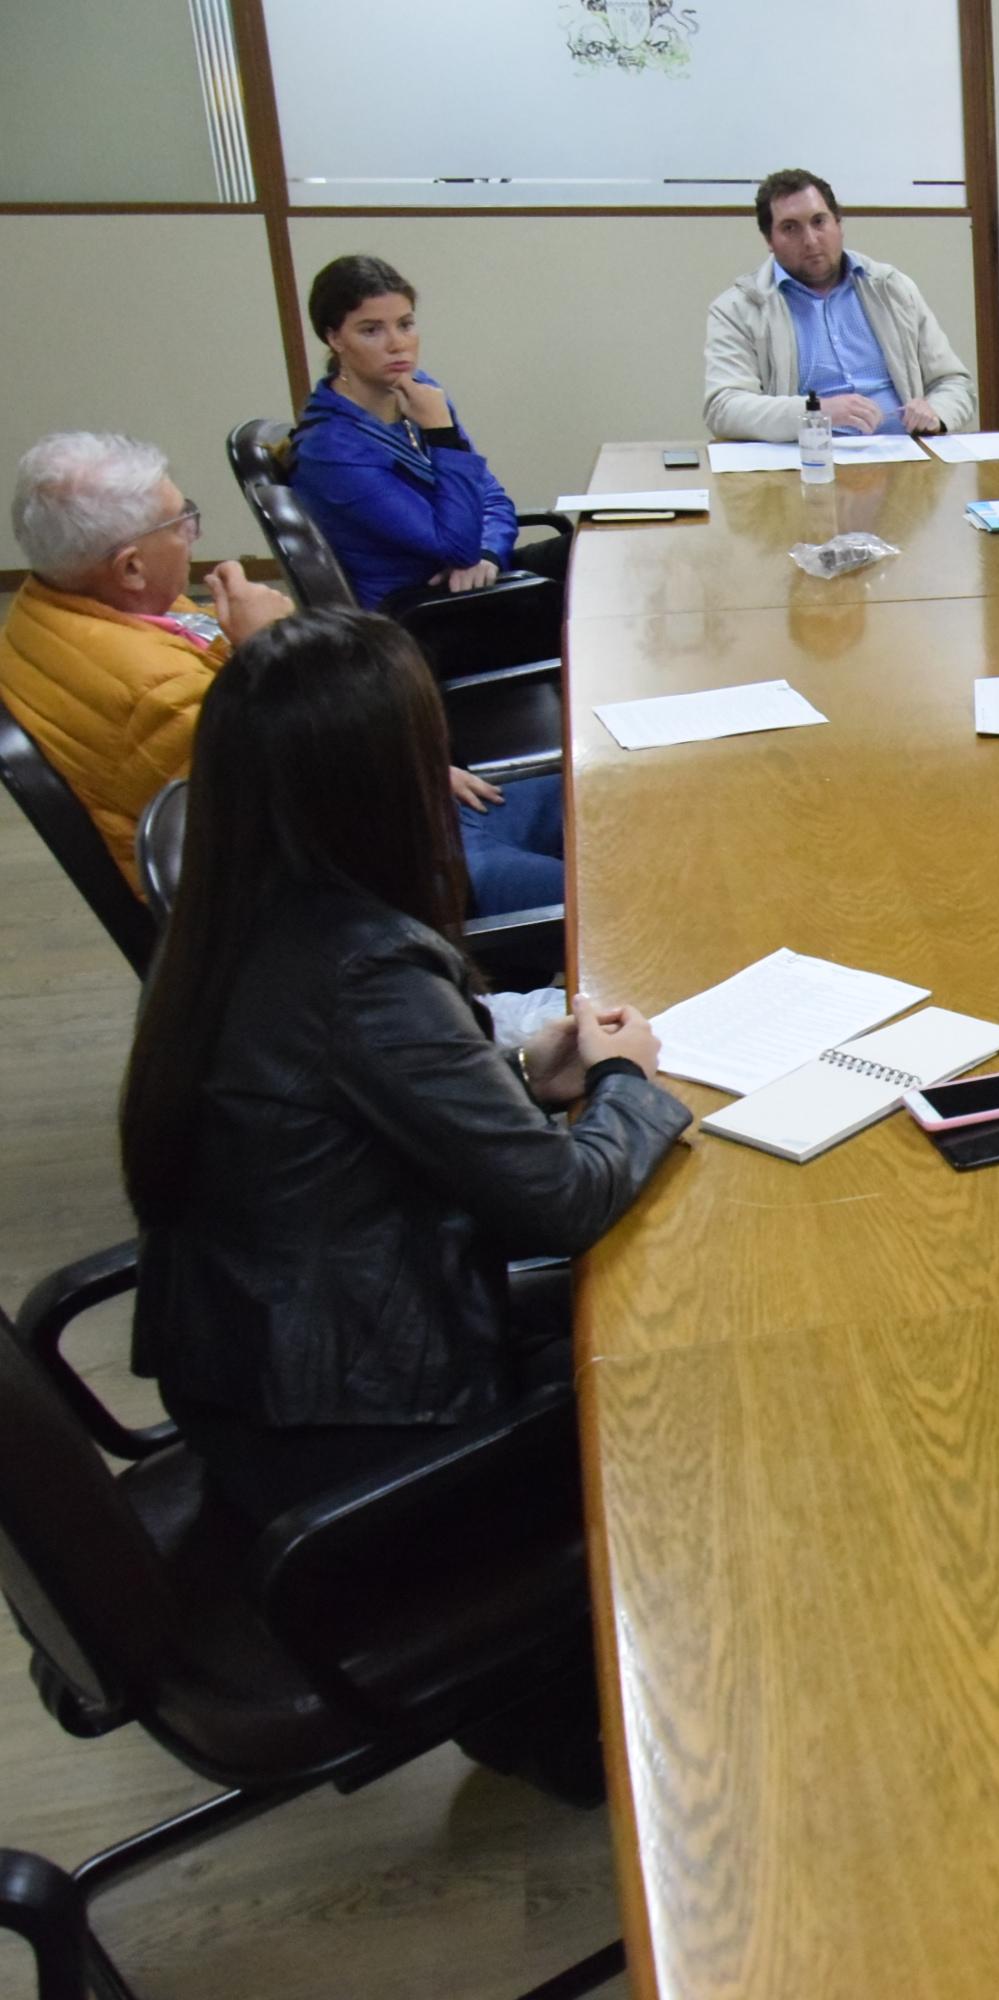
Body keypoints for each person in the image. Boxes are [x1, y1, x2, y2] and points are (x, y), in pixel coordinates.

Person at [119, 605, 688, 1527]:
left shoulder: (214, 931)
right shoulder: (363, 969)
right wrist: (624, 1077)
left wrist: (517, 1079)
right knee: (683, 1351)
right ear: (377, 786)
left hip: (269, 1378)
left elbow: (346, 1119)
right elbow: (565, 1201)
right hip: (364, 1432)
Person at [2, 432, 293, 886]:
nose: (194, 535)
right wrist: (276, 647)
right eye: (181, 523)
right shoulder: (158, 696)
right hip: (254, 899)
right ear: (131, 568)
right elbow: (297, 792)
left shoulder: (59, 600)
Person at [290, 253, 558, 611]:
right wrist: (442, 434)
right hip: (422, 614)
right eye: (371, 330)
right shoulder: (330, 448)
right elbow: (453, 546)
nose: (397, 343)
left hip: (474, 580)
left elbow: (491, 495)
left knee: (597, 553)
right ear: (335, 338)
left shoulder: (420, 390)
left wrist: (489, 551)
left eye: (405, 324)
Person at [705, 168, 977, 441]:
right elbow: (724, 407)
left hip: (904, 458)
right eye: (790, 228)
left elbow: (953, 383)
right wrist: (816, 412)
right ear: (769, 241)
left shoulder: (891, 289)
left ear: (838, 224)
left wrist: (935, 414)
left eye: (819, 222)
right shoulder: (739, 309)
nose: (810, 240)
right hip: (811, 462)